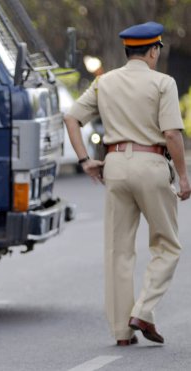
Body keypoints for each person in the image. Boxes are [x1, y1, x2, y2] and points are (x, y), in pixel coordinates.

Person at [64, 21, 191, 346]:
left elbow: (72, 118)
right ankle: (144, 311)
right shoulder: (163, 82)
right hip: (151, 164)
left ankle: (122, 331)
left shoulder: (104, 82)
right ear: (153, 50)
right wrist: (184, 175)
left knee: (118, 250)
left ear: (127, 51)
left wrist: (84, 160)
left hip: (115, 165)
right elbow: (172, 134)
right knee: (167, 245)